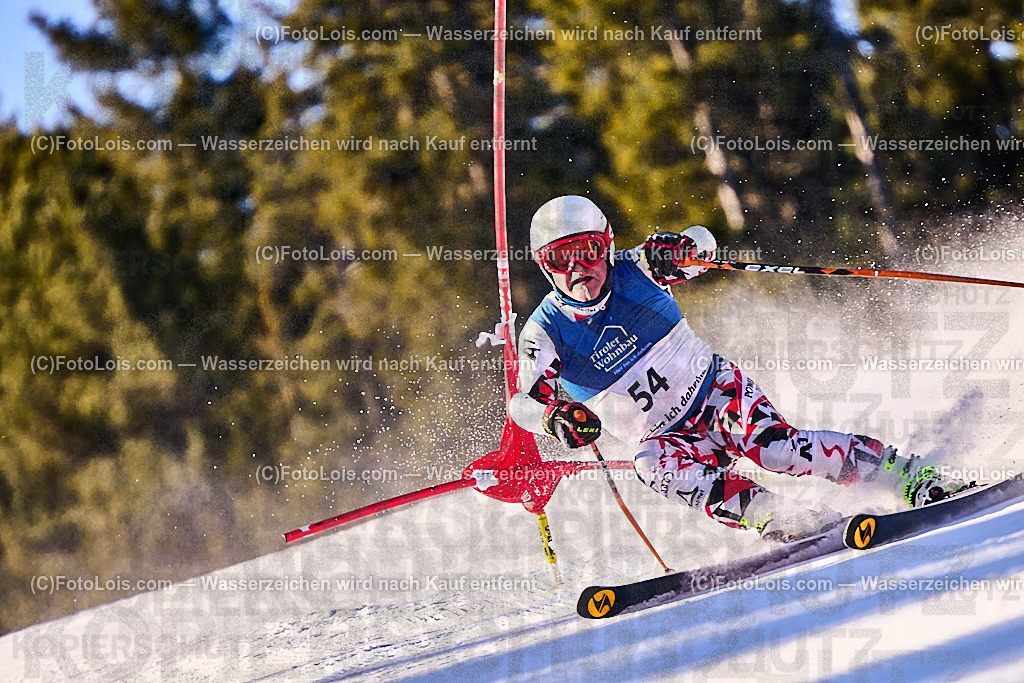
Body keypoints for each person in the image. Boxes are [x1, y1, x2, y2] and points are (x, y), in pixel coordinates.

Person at [509, 195, 967, 541]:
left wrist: (683, 246)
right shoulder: (544, 332)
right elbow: (520, 405)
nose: (577, 270)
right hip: (664, 438)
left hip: (715, 395)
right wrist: (554, 418)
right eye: (559, 259)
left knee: (776, 451)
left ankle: (906, 474)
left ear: (606, 245)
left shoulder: (639, 268)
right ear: (544, 267)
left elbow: (704, 244)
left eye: (587, 252)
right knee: (650, 465)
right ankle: (780, 517)